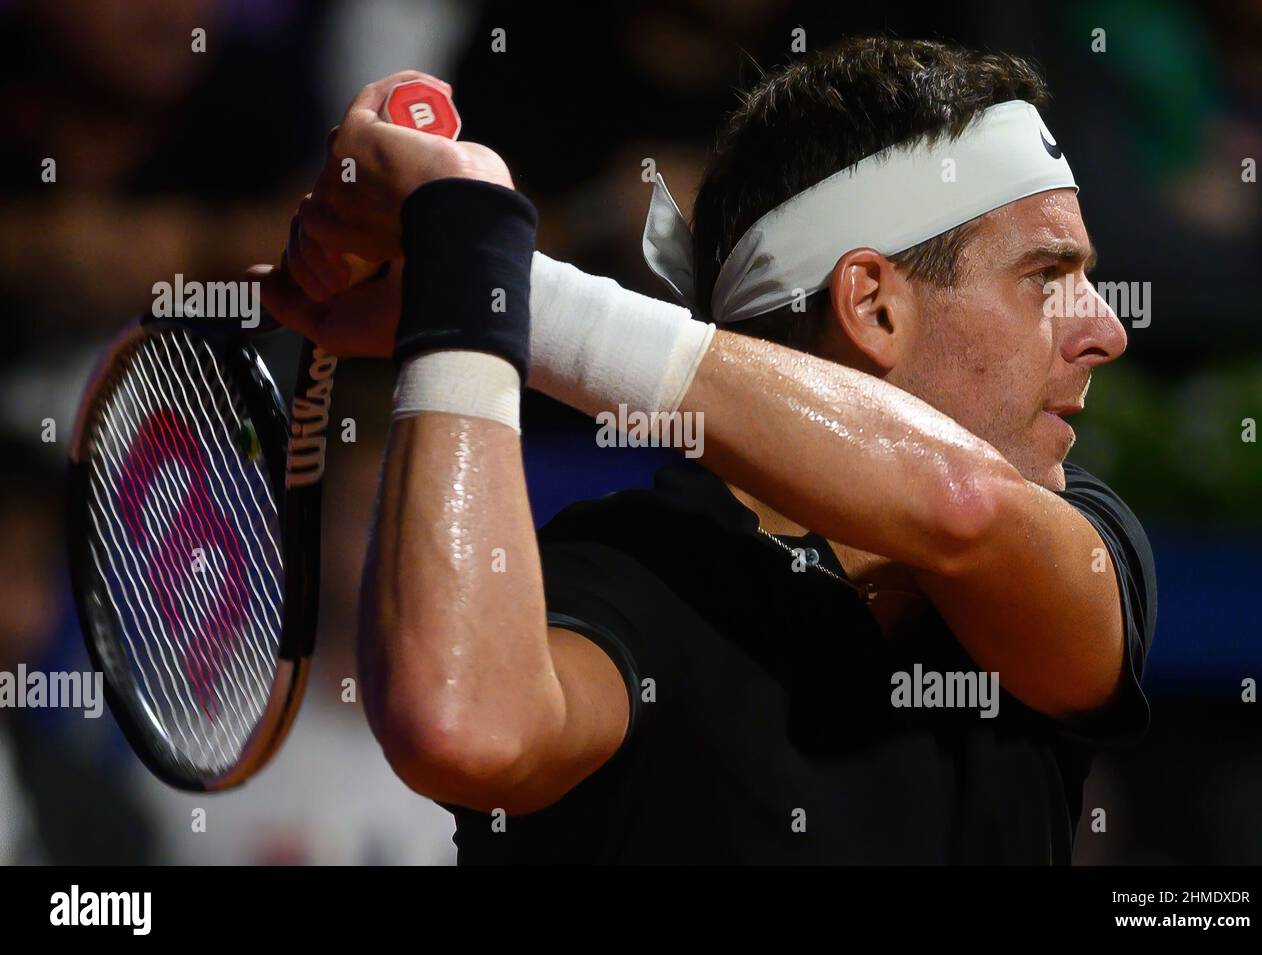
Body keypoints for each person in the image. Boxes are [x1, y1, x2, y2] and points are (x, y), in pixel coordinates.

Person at [257, 37, 1156, 864]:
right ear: (873, 305)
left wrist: (496, 276)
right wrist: (463, 302)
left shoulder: (1083, 536)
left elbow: (963, 508)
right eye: (1048, 277)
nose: (1107, 330)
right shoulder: (624, 575)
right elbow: (460, 723)